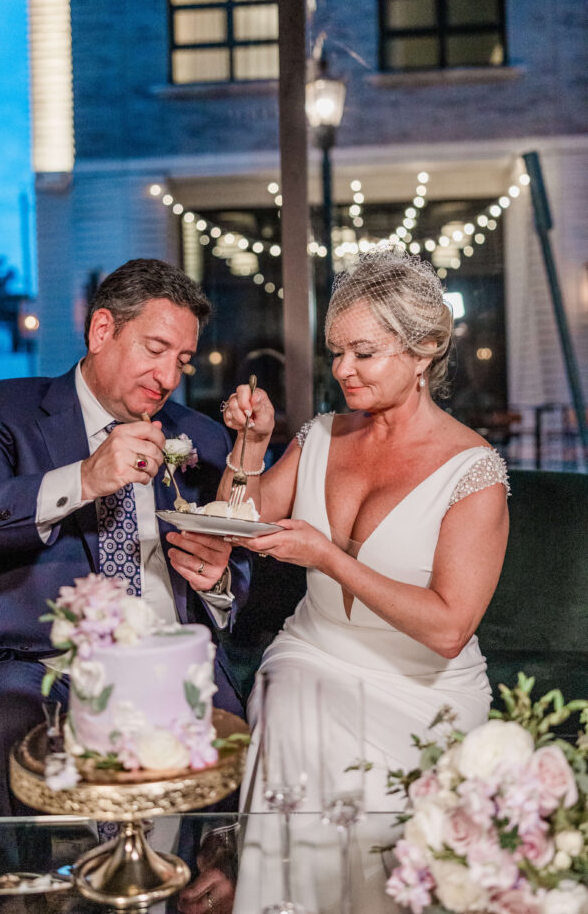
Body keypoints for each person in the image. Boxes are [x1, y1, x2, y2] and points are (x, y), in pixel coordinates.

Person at [0, 258, 251, 817]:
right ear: (101, 331)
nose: (168, 377)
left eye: (182, 360)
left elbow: (233, 568)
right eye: (155, 348)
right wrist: (85, 478)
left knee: (241, 747)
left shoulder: (200, 437)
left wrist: (217, 579)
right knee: (3, 726)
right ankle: (18, 896)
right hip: (36, 661)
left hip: (170, 657)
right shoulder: (6, 411)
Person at [218, 248, 510, 814]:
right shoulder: (320, 436)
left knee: (376, 797)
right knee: (292, 735)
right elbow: (237, 522)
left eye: (364, 352)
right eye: (337, 352)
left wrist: (327, 556)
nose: (343, 369)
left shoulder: (474, 471)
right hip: (313, 654)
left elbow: (450, 629)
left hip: (422, 686)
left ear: (424, 350)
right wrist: (251, 443)